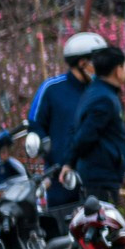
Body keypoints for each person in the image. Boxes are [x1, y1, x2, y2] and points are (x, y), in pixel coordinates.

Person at [28, 32, 104, 207]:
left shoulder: (101, 93)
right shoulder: (52, 89)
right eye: (97, 62)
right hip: (61, 181)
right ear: (82, 63)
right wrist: (50, 154)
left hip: (96, 181)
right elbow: (35, 126)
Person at [65, 44, 125, 205]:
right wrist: (69, 162)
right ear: (118, 69)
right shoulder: (105, 99)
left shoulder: (95, 92)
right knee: (102, 225)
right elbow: (85, 135)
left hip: (98, 176)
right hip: (100, 178)